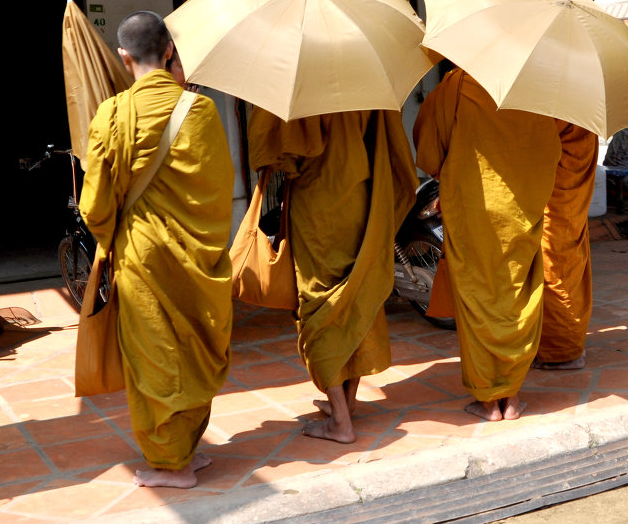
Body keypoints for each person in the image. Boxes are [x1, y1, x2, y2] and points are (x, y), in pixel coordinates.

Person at [80, 10, 234, 489]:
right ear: (169, 51)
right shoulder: (201, 110)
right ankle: (189, 444)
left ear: (124, 57)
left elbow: (95, 203)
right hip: (197, 252)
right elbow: (217, 186)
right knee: (193, 344)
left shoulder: (112, 114)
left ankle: (174, 463)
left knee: (156, 355)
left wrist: (112, 236)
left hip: (142, 253)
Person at [247, 107, 416, 443]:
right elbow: (390, 142)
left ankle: (340, 422)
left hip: (317, 204)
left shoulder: (301, 80)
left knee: (319, 305)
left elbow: (270, 149)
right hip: (358, 196)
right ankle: (347, 403)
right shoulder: (365, 76)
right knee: (353, 298)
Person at [413, 69, 561, 421]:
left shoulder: (456, 84)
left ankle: (488, 401)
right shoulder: (536, 85)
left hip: (472, 205)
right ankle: (512, 397)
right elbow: (551, 151)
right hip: (520, 205)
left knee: (478, 296)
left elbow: (429, 150)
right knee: (516, 294)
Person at [535, 122, 598, 371]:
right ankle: (565, 346)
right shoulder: (585, 113)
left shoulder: (555, 113)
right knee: (569, 268)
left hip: (554, 202)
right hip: (572, 202)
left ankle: (561, 353)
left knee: (554, 273)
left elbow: (541, 152)